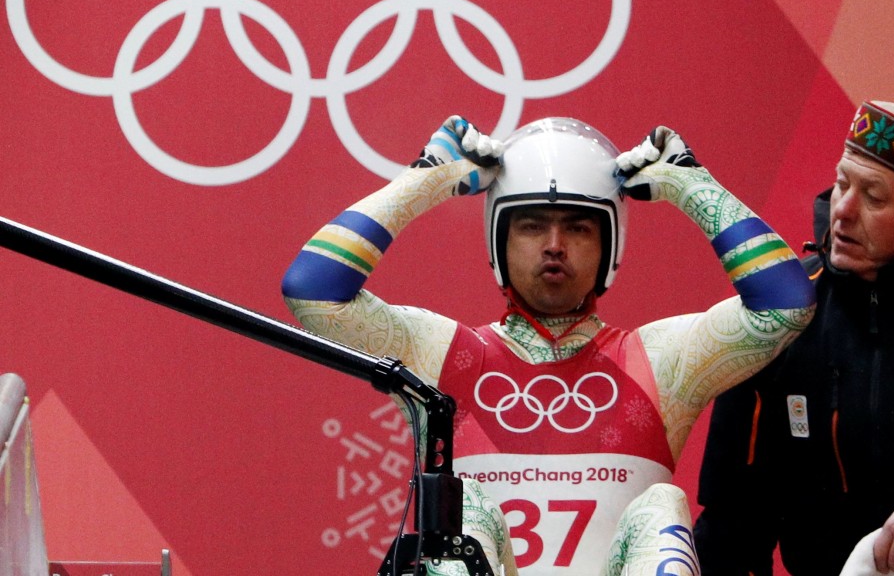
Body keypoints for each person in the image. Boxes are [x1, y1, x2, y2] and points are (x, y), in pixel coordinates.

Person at [282, 115, 816, 575]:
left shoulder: (662, 360)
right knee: (461, 514)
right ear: (498, 240)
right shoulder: (439, 355)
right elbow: (313, 290)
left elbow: (786, 305)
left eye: (579, 229)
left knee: (662, 506)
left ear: (612, 245)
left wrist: (693, 188)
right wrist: (425, 181)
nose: (554, 246)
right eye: (532, 225)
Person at [693, 101, 894, 576]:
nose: (841, 210)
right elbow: (734, 514)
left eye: (874, 197)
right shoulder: (782, 310)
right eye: (843, 182)